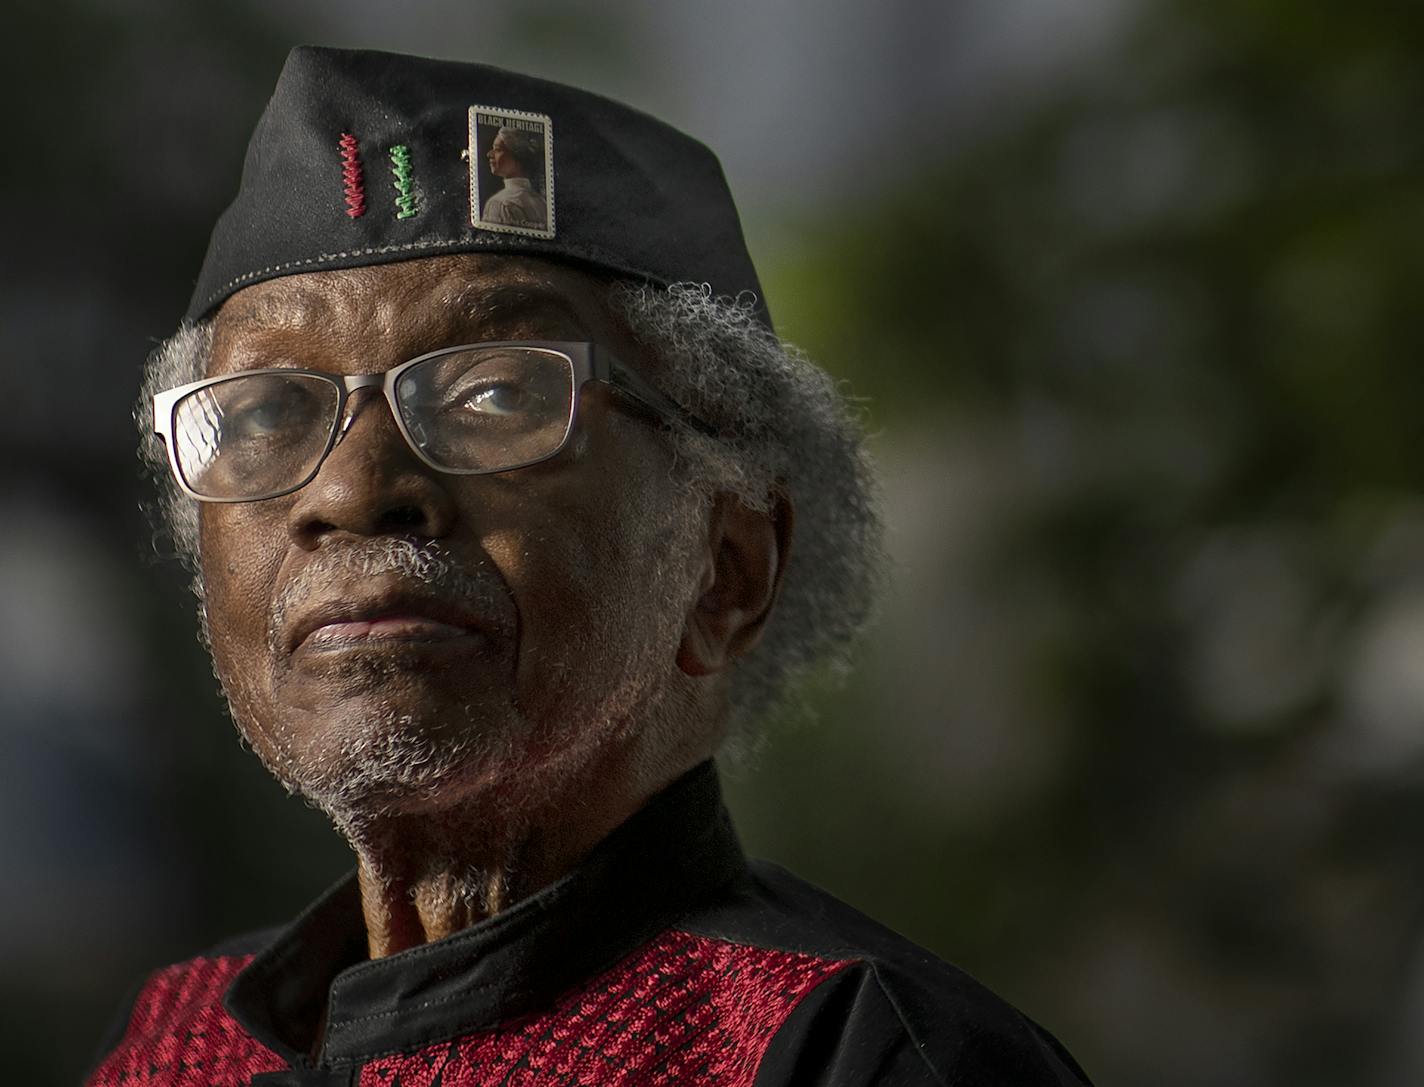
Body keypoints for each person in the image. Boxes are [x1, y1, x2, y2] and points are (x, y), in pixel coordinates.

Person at [87, 46, 1093, 1086]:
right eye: (262, 411)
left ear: (727, 566)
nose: (347, 491)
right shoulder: (173, 1045)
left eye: (493, 394)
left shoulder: (854, 1050)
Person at [482, 124, 548, 228]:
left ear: (517, 155)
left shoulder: (500, 204)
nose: (490, 154)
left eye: (498, 149)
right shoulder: (542, 202)